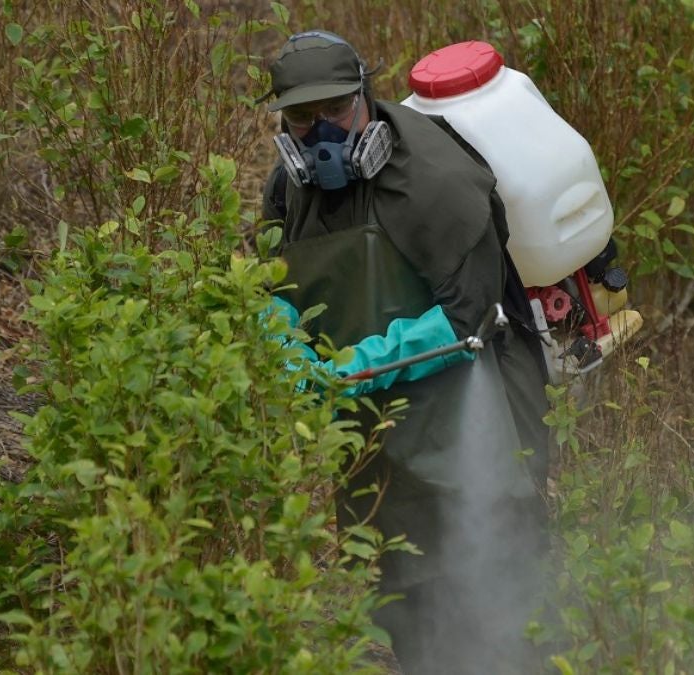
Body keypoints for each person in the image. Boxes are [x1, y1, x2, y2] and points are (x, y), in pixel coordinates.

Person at [258, 31, 553, 674]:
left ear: (365, 96)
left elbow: (467, 318)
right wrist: (282, 345)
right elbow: (269, 282)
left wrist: (352, 368)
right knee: (407, 601)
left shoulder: (438, 184)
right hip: (376, 436)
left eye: (334, 110)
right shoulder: (290, 190)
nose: (319, 133)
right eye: (301, 117)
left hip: (477, 417)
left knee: (506, 598)